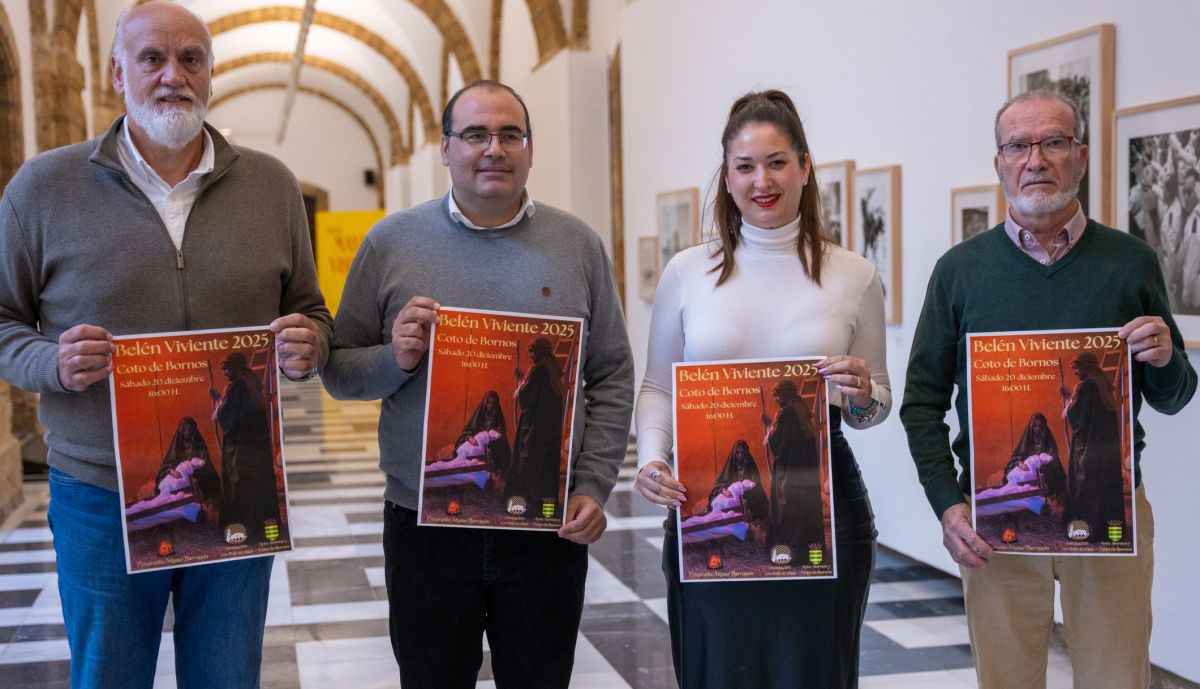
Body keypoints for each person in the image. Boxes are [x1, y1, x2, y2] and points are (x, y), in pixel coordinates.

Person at [0, 2, 331, 686]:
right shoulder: (44, 186)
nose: (172, 75)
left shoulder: (271, 187)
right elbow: (4, 319)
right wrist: (52, 364)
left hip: (240, 484)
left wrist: (310, 346)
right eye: (152, 58)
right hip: (99, 492)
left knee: (226, 674)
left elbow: (310, 311)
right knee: (111, 674)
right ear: (119, 73)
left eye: (191, 59)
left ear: (212, 75)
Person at [321, 80, 633, 689]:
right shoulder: (390, 243)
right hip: (425, 527)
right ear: (445, 149)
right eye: (474, 135)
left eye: (509, 134)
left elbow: (612, 373)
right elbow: (338, 370)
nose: (494, 148)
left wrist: (594, 483)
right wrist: (397, 358)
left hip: (545, 526)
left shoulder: (578, 246)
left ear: (530, 149)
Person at [901, 90, 1196, 689]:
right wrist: (946, 502)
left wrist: (1166, 358)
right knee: (1006, 679)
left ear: (1080, 157)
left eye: (1053, 142)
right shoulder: (959, 271)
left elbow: (1174, 395)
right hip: (995, 515)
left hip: (1112, 512)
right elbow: (921, 403)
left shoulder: (1130, 262)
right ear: (999, 163)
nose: (1036, 160)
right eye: (1018, 145)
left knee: (1117, 676)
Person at [635, 89, 891, 689]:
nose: (762, 180)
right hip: (708, 496)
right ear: (726, 178)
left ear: (804, 167)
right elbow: (656, 387)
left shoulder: (853, 274)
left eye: (777, 162)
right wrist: (651, 458)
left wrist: (859, 394)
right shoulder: (687, 273)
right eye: (745, 166)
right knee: (716, 671)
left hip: (824, 507)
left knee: (815, 672)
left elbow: (875, 401)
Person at [211, 351, 281, 543]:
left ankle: (241, 531)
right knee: (255, 483)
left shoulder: (236, 386)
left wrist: (217, 401)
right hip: (255, 447)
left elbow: (226, 418)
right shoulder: (252, 382)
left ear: (235, 367)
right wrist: (220, 399)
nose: (225, 373)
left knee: (238, 485)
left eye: (226, 368)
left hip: (240, 447)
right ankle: (260, 528)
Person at [1058, 352, 1123, 538]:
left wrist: (1068, 401)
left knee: (1085, 481)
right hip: (1104, 447)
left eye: (1077, 368)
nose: (1076, 372)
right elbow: (1088, 409)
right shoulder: (1101, 382)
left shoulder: (1087, 386)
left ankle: (1085, 528)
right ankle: (1104, 528)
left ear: (1086, 367)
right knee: (1102, 481)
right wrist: (1071, 396)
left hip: (1089, 445)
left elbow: (1078, 415)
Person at [762, 378, 823, 554]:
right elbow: (789, 435)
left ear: (784, 395)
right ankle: (805, 548)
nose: (775, 400)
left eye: (776, 396)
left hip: (790, 469)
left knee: (788, 506)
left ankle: (790, 549)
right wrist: (770, 424)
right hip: (804, 467)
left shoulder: (787, 412)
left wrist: (768, 428)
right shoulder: (801, 408)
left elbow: (777, 442)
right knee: (803, 505)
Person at [507, 337, 566, 512]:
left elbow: (526, 396)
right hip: (549, 428)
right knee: (545, 464)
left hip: (535, 426)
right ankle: (543, 504)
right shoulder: (553, 368)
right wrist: (523, 377)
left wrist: (520, 381)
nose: (531, 355)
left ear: (541, 351)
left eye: (533, 351)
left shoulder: (540, 369)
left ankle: (529, 504)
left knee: (530, 463)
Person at [707, 439, 768, 523]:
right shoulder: (729, 468)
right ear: (734, 454)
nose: (740, 455)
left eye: (742, 453)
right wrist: (723, 490)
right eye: (737, 453)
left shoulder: (750, 467)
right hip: (730, 498)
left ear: (746, 453)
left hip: (748, 498)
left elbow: (755, 483)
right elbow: (719, 485)